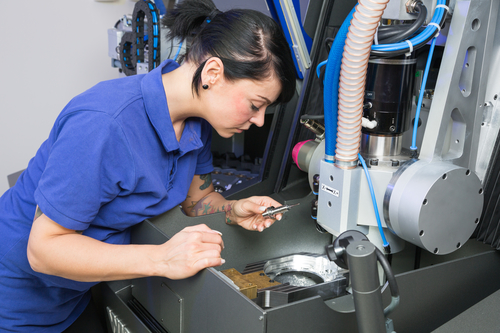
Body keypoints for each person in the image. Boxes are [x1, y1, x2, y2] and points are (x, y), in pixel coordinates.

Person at [0, 0, 296, 331]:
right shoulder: (104, 124)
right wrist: (163, 259)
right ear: (213, 73)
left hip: (73, 296)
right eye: (256, 105)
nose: (258, 121)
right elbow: (43, 250)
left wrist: (233, 209)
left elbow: (197, 199)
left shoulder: (196, 124)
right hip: (18, 301)